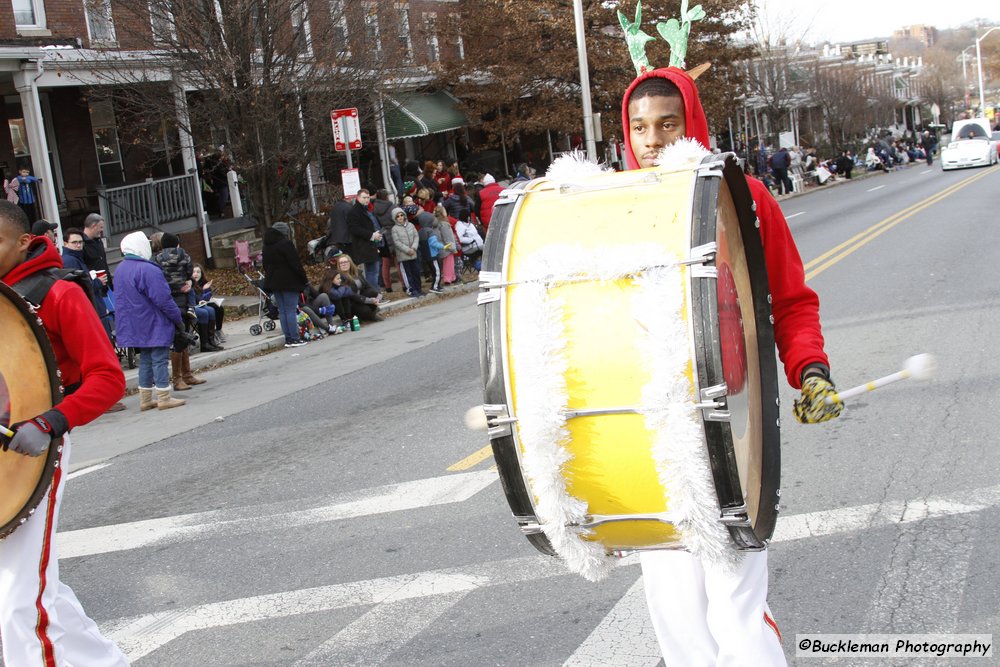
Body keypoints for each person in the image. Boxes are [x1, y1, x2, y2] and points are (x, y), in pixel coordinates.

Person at [621, 64, 843, 665]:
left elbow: (791, 302)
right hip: (651, 429)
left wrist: (810, 369)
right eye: (640, 126)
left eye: (668, 122)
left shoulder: (743, 198)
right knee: (674, 606)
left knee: (736, 601)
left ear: (691, 122)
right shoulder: (613, 207)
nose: (653, 138)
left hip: (732, 419)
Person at [0, 200, 130, 666]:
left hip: (38, 449)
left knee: (18, 600)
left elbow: (107, 377)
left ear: (22, 241)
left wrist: (49, 423)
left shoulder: (59, 292)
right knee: (30, 584)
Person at [115, 231, 187, 411]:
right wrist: (177, 318)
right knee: (160, 358)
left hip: (133, 322)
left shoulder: (121, 269)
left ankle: (145, 398)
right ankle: (164, 396)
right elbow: (163, 299)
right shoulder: (148, 269)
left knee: (145, 359)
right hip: (153, 320)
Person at [262, 221, 308, 347]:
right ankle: (295, 338)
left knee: (282, 311)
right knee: (291, 310)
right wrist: (304, 279)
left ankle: (288, 339)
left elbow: (265, 265)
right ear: (285, 232)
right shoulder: (286, 244)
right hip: (289, 282)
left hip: (274, 283)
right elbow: (295, 264)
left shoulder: (266, 246)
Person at [345, 188, 384, 290]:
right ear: (358, 198)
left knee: (374, 270)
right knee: (372, 271)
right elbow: (354, 229)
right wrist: (371, 235)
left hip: (370, 244)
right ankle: (375, 294)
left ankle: (376, 293)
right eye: (364, 197)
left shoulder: (365, 209)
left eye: (368, 197)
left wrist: (375, 235)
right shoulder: (354, 211)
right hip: (363, 245)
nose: (366, 200)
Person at [332, 253, 383, 322]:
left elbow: (368, 286)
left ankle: (372, 313)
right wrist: (369, 300)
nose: (343, 264)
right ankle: (371, 315)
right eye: (341, 263)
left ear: (350, 263)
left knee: (372, 292)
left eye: (345, 262)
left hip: (361, 297)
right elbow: (351, 294)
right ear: (339, 265)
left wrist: (378, 296)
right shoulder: (340, 277)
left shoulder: (357, 272)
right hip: (351, 302)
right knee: (366, 310)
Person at [391, 206, 423, 297]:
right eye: (398, 216)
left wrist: (413, 248)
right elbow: (397, 242)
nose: (400, 217)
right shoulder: (394, 229)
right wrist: (407, 250)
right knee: (407, 274)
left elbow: (416, 237)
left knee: (416, 271)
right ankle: (411, 289)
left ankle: (418, 288)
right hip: (404, 255)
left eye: (402, 215)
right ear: (395, 218)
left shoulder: (411, 225)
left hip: (413, 253)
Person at [191, 263, 226, 344]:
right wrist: (204, 290)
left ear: (201, 274)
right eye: (194, 272)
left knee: (219, 307)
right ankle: (211, 335)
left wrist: (207, 292)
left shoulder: (204, 283)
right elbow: (198, 299)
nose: (196, 274)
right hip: (198, 305)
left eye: (198, 272)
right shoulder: (191, 284)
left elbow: (207, 296)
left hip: (205, 303)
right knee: (210, 309)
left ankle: (218, 330)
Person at [433, 204, 459, 285]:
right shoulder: (444, 224)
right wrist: (453, 248)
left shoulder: (436, 224)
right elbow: (448, 238)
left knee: (446, 263)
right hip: (447, 248)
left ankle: (451, 276)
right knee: (448, 263)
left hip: (441, 247)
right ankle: (448, 278)